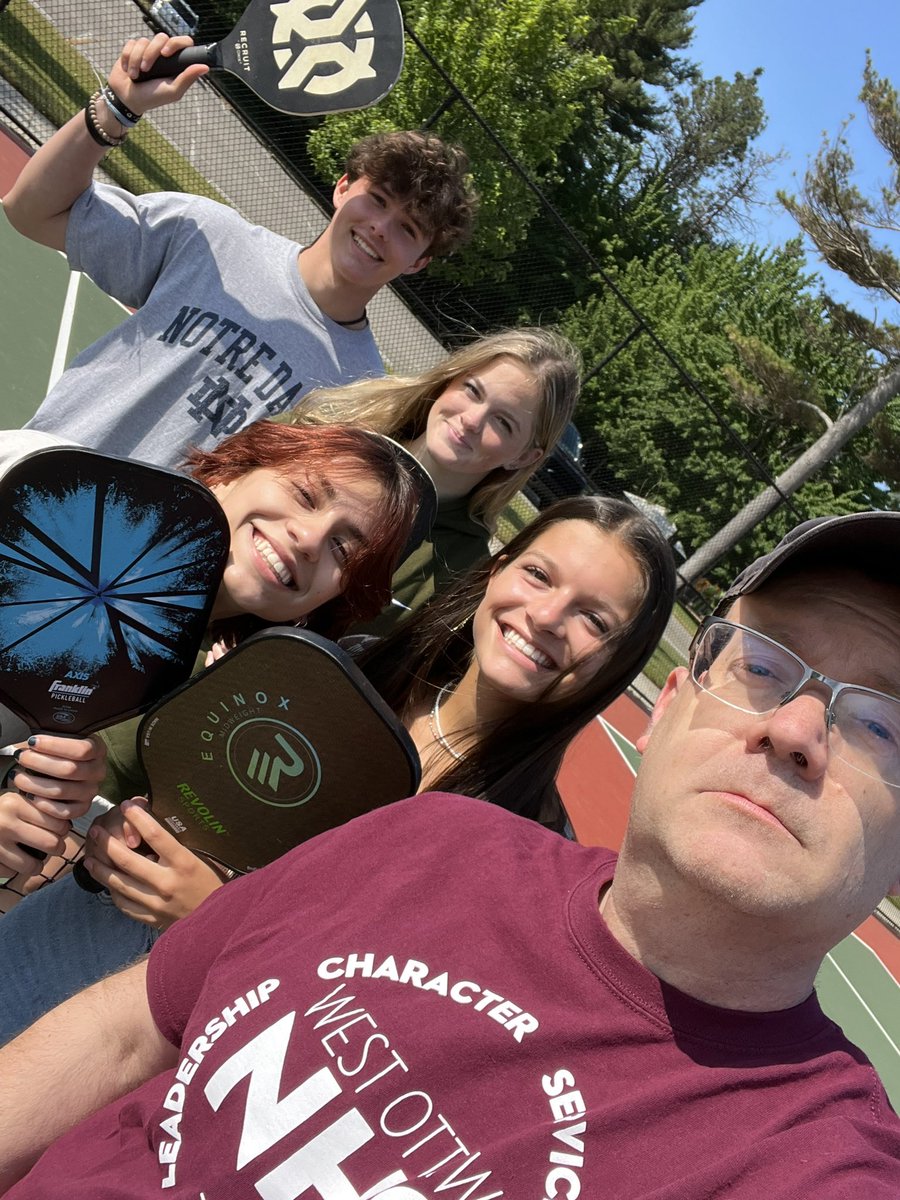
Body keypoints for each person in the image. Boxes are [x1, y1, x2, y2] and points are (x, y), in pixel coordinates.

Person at [3, 509, 900, 1198]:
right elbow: (132, 1034)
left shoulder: (810, 1162)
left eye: (883, 723)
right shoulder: (431, 831)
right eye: (766, 666)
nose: (795, 730)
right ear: (670, 703)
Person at [0, 496, 675, 1041]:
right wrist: (146, 817)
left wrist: (210, 917)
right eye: (538, 574)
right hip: (74, 925)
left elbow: (377, 1024)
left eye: (593, 618)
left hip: (160, 1037)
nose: (548, 616)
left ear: (617, 663)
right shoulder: (344, 665)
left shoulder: (531, 854)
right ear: (497, 571)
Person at [0, 419, 424, 1016]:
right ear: (231, 466)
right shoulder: (46, 487)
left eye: (343, 549)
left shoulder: (170, 669)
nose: (307, 537)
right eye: (304, 494)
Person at [5, 32, 477, 468]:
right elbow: (31, 211)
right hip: (31, 490)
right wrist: (116, 109)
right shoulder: (210, 237)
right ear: (342, 187)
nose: (378, 227)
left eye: (408, 228)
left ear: (419, 262)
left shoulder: (364, 398)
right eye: (377, 199)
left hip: (141, 559)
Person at [292, 326, 582, 630]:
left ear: (523, 457)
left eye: (503, 422)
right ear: (448, 381)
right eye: (472, 390)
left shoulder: (463, 571)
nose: (471, 420)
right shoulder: (331, 432)